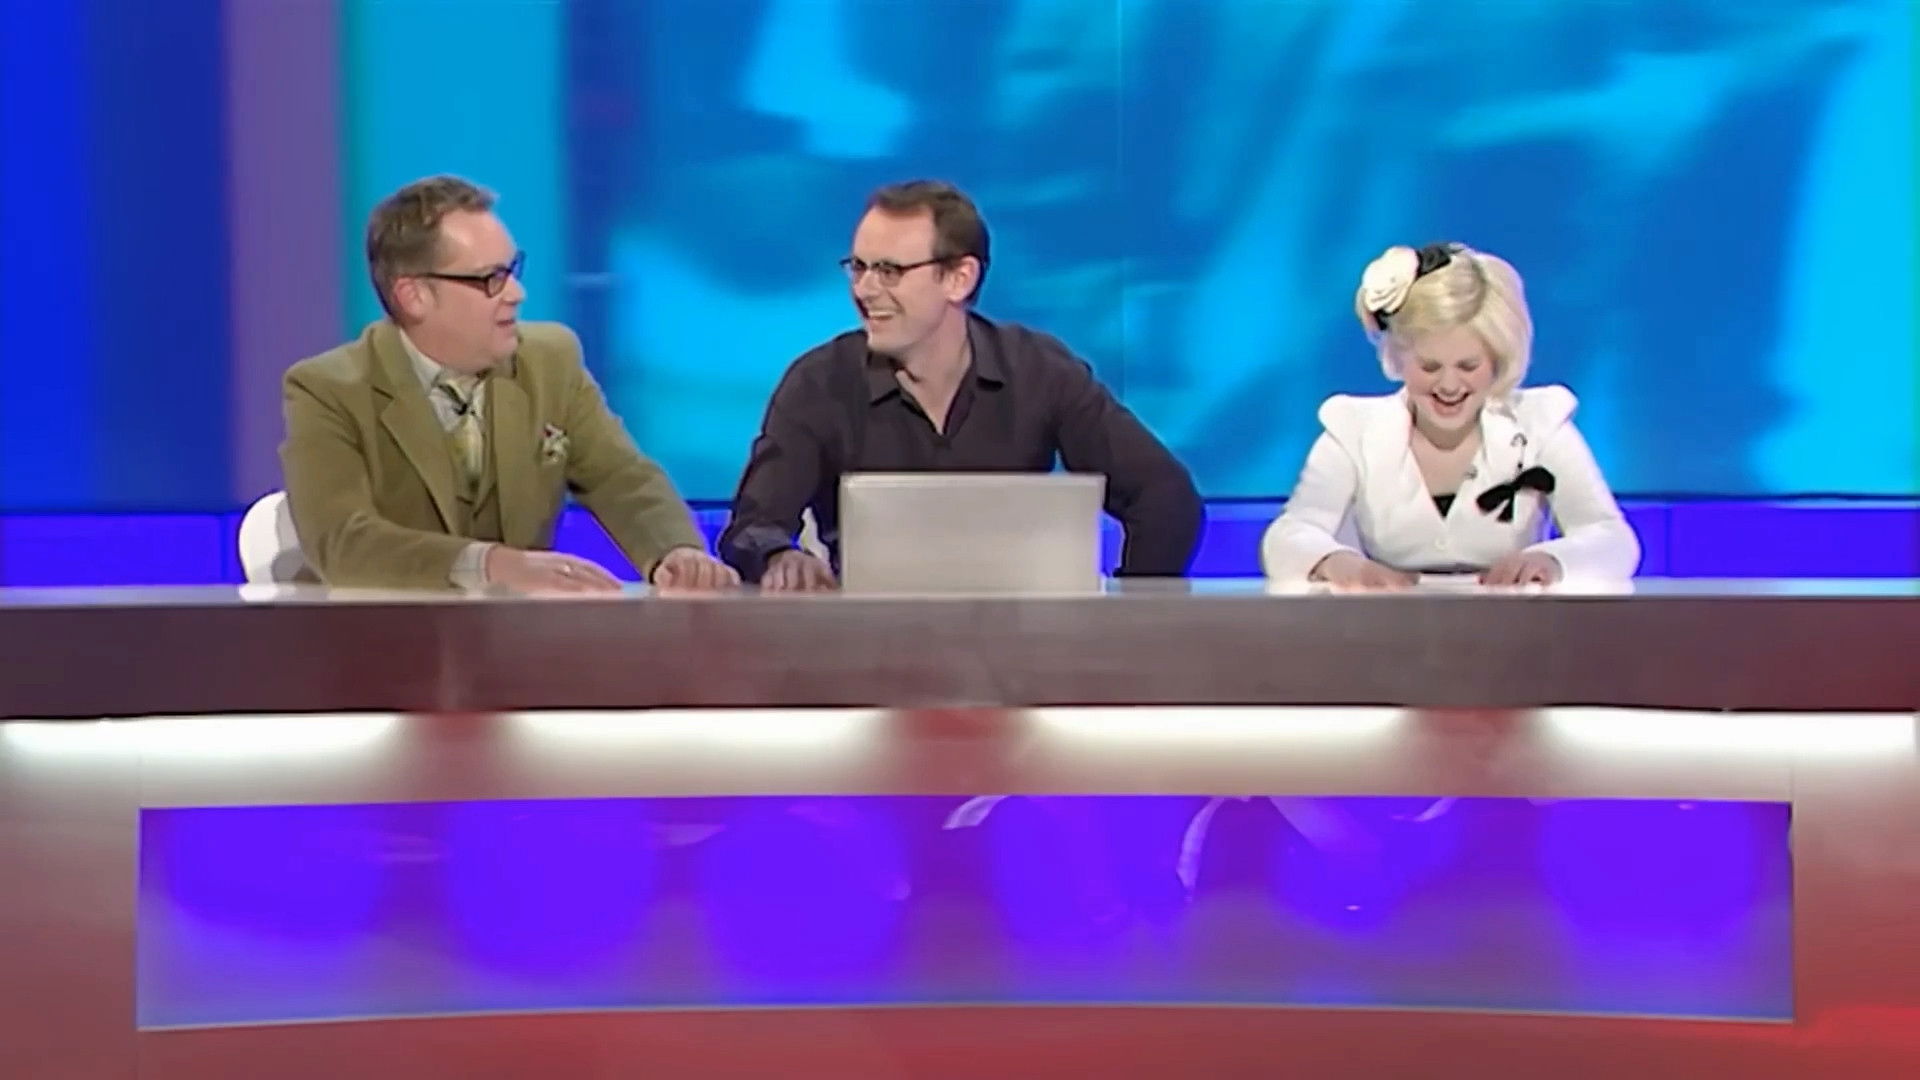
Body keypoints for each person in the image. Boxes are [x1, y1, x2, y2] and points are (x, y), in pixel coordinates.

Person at [718, 180, 1202, 589]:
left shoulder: (1038, 369)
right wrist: (780, 558)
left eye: (889, 271)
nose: (864, 290)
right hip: (869, 643)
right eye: (859, 267)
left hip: (1022, 642)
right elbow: (751, 528)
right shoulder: (820, 383)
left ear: (959, 279)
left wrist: (1126, 618)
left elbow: (1165, 498)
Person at [280, 175, 736, 592]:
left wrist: (675, 552)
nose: (517, 294)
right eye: (490, 279)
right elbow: (344, 541)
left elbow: (621, 478)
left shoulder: (550, 361)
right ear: (414, 296)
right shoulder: (329, 389)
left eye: (512, 270)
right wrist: (491, 564)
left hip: (515, 639)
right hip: (377, 638)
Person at [1261, 242, 1639, 587]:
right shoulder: (1354, 429)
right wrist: (1337, 563)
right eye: (1429, 366)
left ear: (1497, 359)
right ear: (1398, 357)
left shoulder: (1539, 423)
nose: (1449, 385)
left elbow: (1612, 539)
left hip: (1518, 631)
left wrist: (1551, 560)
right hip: (1383, 630)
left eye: (1468, 366)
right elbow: (1287, 536)